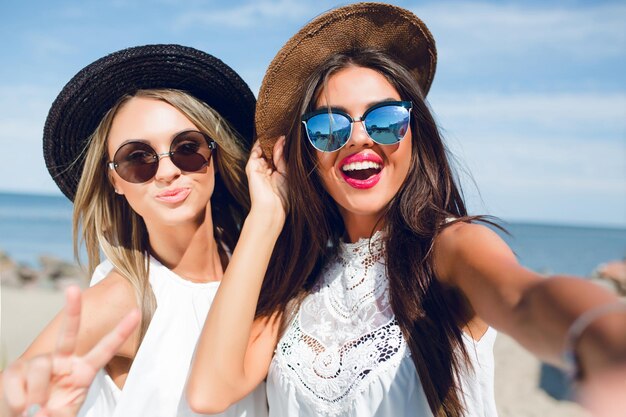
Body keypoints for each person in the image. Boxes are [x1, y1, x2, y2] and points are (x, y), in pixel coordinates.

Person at [187, 3, 626, 417]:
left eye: (384, 119)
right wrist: (266, 216)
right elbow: (210, 391)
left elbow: (523, 299)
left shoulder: (449, 248)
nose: (359, 139)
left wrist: (595, 332)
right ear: (307, 154)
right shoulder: (302, 280)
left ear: (415, 135)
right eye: (328, 127)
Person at [1, 44, 269, 417]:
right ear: (114, 181)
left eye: (186, 148)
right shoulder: (120, 301)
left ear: (215, 154)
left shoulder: (259, 265)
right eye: (137, 159)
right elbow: (11, 395)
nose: (167, 171)